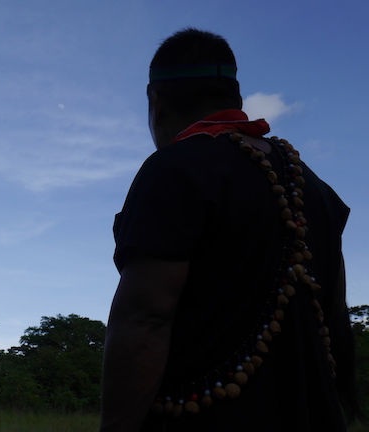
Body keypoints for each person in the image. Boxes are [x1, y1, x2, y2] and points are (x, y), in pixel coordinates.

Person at [99, 28, 358, 431]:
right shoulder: (318, 188)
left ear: (156, 101)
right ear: (236, 100)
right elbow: (336, 316)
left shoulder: (174, 169)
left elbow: (146, 318)